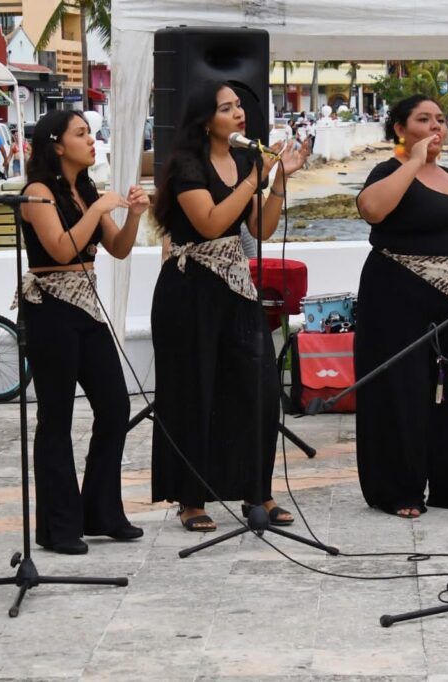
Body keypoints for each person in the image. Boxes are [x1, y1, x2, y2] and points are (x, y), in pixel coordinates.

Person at [150, 81, 311, 531]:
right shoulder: (186, 165)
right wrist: (255, 178)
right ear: (206, 119)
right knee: (193, 392)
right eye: (227, 107)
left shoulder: (244, 160)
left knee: (258, 390)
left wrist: (278, 179)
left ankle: (258, 493)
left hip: (235, 286)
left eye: (239, 105)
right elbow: (211, 222)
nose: (239, 113)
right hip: (189, 289)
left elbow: (259, 227)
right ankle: (191, 497)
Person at [354, 94, 448, 518]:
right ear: (401, 129)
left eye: (440, 119)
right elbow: (372, 209)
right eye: (423, 120)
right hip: (396, 298)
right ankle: (398, 490)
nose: (435, 126)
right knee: (400, 393)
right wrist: (412, 161)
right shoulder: (389, 171)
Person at [18, 111, 148, 554]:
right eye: (81, 134)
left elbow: (118, 247)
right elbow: (60, 247)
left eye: (90, 133)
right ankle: (58, 526)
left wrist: (132, 215)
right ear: (56, 144)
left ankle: (102, 511)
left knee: (113, 406)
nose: (91, 141)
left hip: (86, 307)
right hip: (50, 308)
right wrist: (96, 209)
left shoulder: (85, 188)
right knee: (55, 418)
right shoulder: (37, 192)